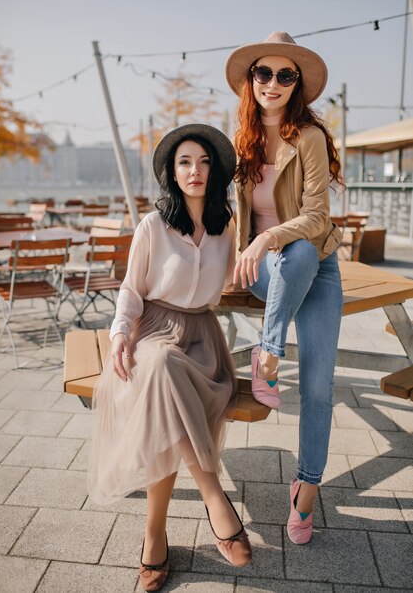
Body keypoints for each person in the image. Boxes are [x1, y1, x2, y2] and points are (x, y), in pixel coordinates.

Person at [87, 123, 252, 592]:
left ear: (214, 172)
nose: (195, 170)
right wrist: (121, 333)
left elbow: (237, 278)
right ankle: (213, 496)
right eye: (185, 162)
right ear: (172, 172)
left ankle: (153, 536)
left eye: (203, 162)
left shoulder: (228, 226)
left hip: (202, 339)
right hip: (156, 332)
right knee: (159, 369)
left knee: (166, 400)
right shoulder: (154, 225)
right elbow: (131, 289)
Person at [225, 32, 344, 545]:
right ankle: (268, 353)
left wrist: (271, 234)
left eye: (284, 75)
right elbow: (227, 215)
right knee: (289, 253)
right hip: (267, 272)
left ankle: (306, 492)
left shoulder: (310, 137)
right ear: (251, 81)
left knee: (319, 387)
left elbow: (318, 217)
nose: (272, 83)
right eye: (263, 74)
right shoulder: (240, 142)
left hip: (315, 262)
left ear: (296, 84)